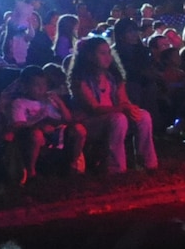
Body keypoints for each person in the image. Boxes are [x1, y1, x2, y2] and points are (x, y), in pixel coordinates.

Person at [67, 38, 158, 174]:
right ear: (90, 56)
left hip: (114, 117)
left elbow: (123, 100)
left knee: (143, 116)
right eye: (102, 53)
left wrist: (130, 108)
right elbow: (94, 108)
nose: (108, 57)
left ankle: (148, 163)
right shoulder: (80, 80)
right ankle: (115, 167)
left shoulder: (113, 77)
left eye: (109, 53)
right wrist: (123, 109)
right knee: (118, 119)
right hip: (90, 122)